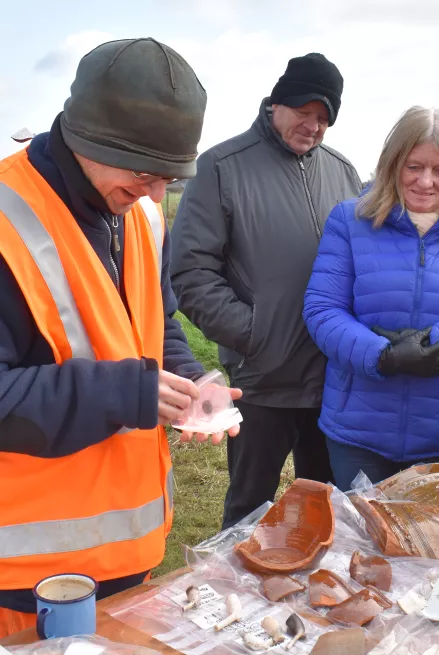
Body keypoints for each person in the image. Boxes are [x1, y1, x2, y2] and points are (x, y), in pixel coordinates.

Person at [0, 38, 240, 638]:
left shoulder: (140, 213)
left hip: (130, 559)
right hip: (26, 580)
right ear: (88, 140)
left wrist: (189, 388)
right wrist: (127, 394)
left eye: (170, 177)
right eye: (147, 173)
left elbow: (156, 323)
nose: (158, 194)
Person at [171, 53, 362, 529]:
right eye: (304, 110)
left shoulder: (343, 172)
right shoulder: (221, 166)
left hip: (331, 379)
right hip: (262, 380)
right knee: (249, 509)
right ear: (277, 103)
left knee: (326, 508)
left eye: (324, 118)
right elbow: (190, 272)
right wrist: (255, 335)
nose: (313, 125)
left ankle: (320, 599)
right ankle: (231, 598)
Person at [303, 106, 439, 490]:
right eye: (413, 166)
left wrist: (437, 344)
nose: (426, 182)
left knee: (433, 547)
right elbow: (323, 310)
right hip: (358, 430)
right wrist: (382, 355)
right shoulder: (349, 222)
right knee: (364, 542)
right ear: (392, 164)